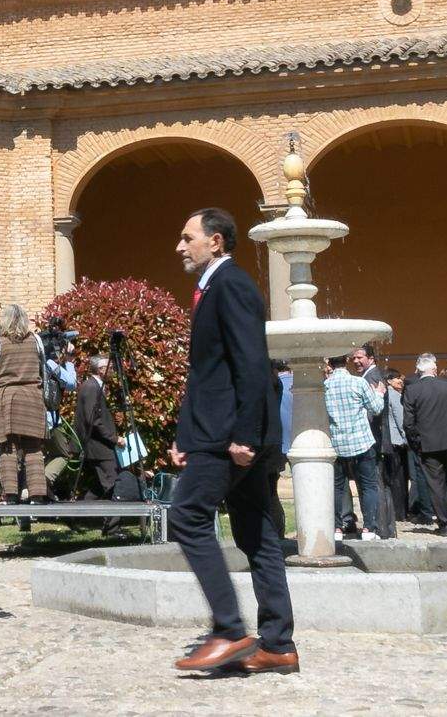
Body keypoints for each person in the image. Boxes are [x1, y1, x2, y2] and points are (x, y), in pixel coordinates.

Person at [167, 208, 297, 675]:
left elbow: (251, 365)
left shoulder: (232, 286)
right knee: (258, 535)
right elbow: (205, 372)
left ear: (215, 242)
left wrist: (245, 435)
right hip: (215, 432)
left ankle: (228, 629)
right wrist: (183, 434)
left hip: (229, 438)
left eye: (187, 238)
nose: (179, 247)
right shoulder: (210, 288)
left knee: (186, 515)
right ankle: (278, 645)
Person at [0, 303, 50, 505]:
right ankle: (37, 495)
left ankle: (11, 495)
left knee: (8, 448)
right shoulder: (36, 340)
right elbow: (42, 366)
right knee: (34, 447)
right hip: (32, 397)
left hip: (7, 398)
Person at [404, 353, 447, 536]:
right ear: (434, 369)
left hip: (428, 445)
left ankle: (445, 524)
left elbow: (408, 423)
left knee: (436, 484)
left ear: (419, 371)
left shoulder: (412, 390)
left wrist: (416, 444)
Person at [326, 353, 387, 540]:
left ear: (329, 363)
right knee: (369, 486)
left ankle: (337, 528)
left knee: (337, 488)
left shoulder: (325, 387)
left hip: (336, 443)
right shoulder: (358, 383)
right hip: (361, 442)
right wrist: (379, 393)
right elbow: (376, 408)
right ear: (346, 361)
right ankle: (369, 528)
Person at [74, 354, 121, 500]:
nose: (113, 370)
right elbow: (93, 420)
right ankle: (114, 522)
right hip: (98, 447)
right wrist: (114, 439)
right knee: (113, 485)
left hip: (98, 446)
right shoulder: (91, 387)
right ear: (101, 370)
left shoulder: (95, 386)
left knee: (98, 487)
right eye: (110, 368)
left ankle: (79, 516)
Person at [380, 368, 411, 524]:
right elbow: (401, 420)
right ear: (389, 380)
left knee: (392, 478)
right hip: (397, 442)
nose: (401, 380)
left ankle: (395, 511)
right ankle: (401, 512)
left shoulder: (386, 394)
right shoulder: (395, 395)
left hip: (388, 442)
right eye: (398, 378)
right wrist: (408, 439)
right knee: (399, 479)